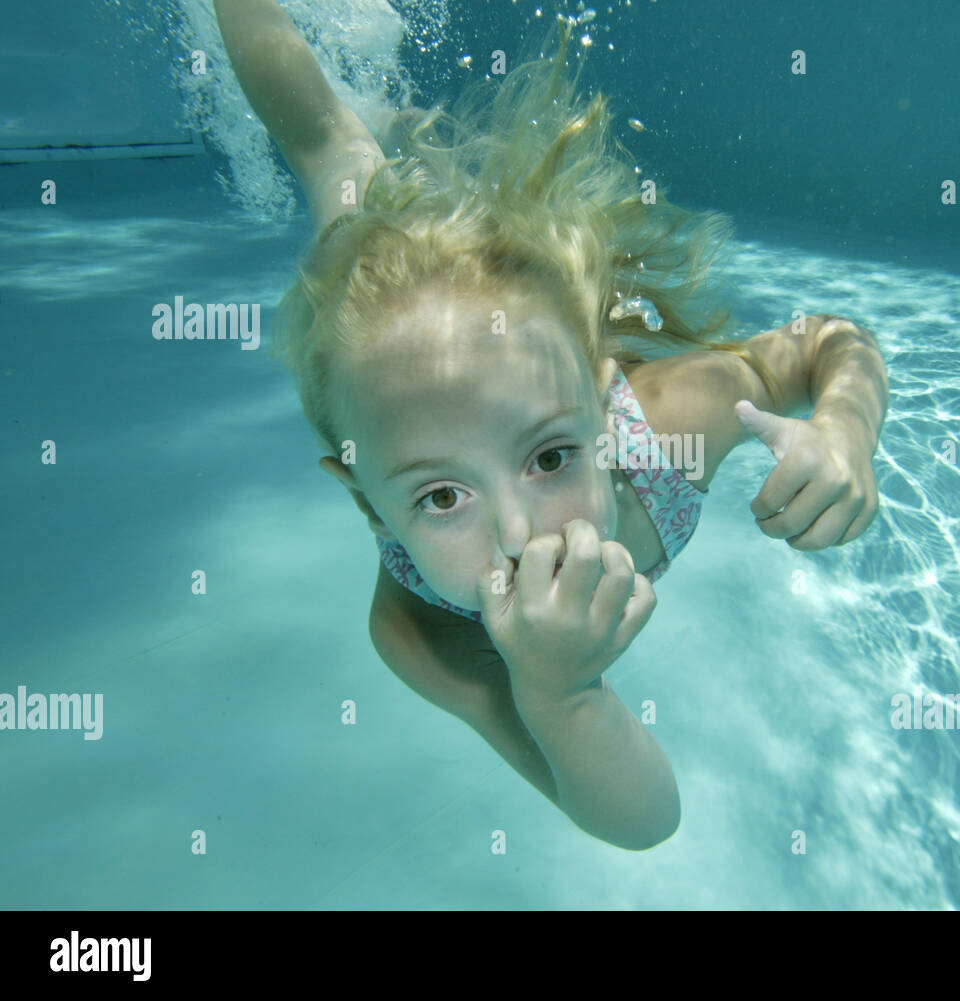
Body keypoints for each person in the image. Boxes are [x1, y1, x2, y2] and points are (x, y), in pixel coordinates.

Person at [213, 0, 889, 851]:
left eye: (550, 454)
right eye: (442, 494)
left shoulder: (667, 426)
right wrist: (561, 694)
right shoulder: (418, 628)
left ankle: (403, 131)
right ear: (368, 505)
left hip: (492, 300)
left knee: (375, 160)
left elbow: (832, 340)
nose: (521, 533)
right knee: (330, 153)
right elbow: (642, 821)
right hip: (380, 287)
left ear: (606, 403)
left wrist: (843, 428)